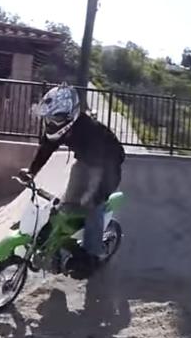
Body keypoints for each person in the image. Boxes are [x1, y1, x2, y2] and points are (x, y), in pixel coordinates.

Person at [19, 83, 125, 280]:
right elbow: (46, 149)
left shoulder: (90, 131)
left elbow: (103, 167)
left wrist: (93, 194)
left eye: (57, 117)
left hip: (107, 167)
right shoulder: (58, 127)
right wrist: (31, 172)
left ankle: (91, 256)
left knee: (91, 206)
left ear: (72, 114)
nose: (52, 122)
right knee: (66, 206)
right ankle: (57, 247)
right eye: (49, 117)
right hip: (84, 163)